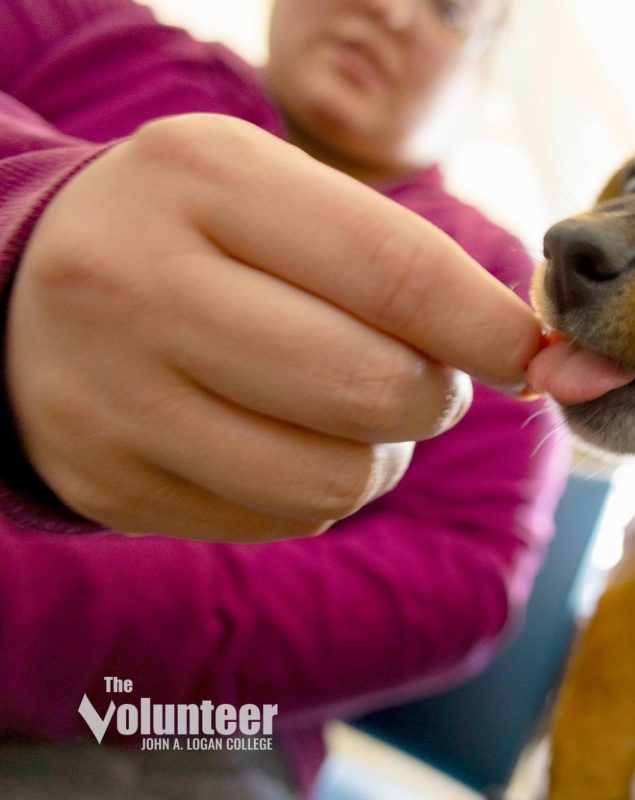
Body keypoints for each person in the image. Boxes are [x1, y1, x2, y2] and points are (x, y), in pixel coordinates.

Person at [0, 0, 567, 797]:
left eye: (450, 8)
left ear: (483, 68)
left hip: (199, 729)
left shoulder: (502, 282)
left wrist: (32, 613)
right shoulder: (76, 28)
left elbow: (456, 582)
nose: (392, 10)